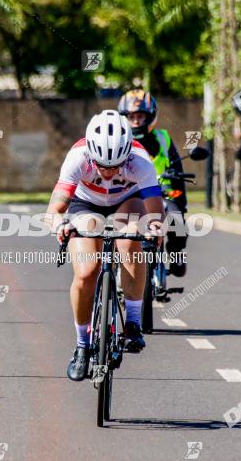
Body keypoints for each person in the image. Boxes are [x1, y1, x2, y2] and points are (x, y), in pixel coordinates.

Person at [46, 110, 164, 381]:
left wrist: (155, 228)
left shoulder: (141, 162)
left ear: (128, 155)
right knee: (87, 271)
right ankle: (81, 346)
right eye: (102, 165)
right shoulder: (77, 157)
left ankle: (133, 322)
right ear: (90, 153)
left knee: (130, 241)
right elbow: (55, 208)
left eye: (116, 166)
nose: (109, 173)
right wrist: (59, 225)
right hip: (86, 204)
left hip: (128, 200)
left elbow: (155, 212)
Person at [117, 88, 188, 276]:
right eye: (131, 116)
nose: (136, 121)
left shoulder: (163, 139)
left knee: (176, 217)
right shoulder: (119, 141)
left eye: (140, 116)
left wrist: (181, 202)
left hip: (160, 193)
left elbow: (178, 169)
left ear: (150, 116)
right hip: (129, 194)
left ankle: (175, 254)